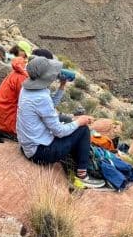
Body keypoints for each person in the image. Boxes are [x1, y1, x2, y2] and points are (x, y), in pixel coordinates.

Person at [15, 56, 107, 189]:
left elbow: (50, 106)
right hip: (40, 153)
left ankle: (77, 157)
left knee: (67, 120)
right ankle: (83, 176)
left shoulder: (27, 89)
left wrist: (62, 86)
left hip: (28, 146)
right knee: (83, 130)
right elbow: (59, 131)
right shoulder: (40, 97)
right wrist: (80, 122)